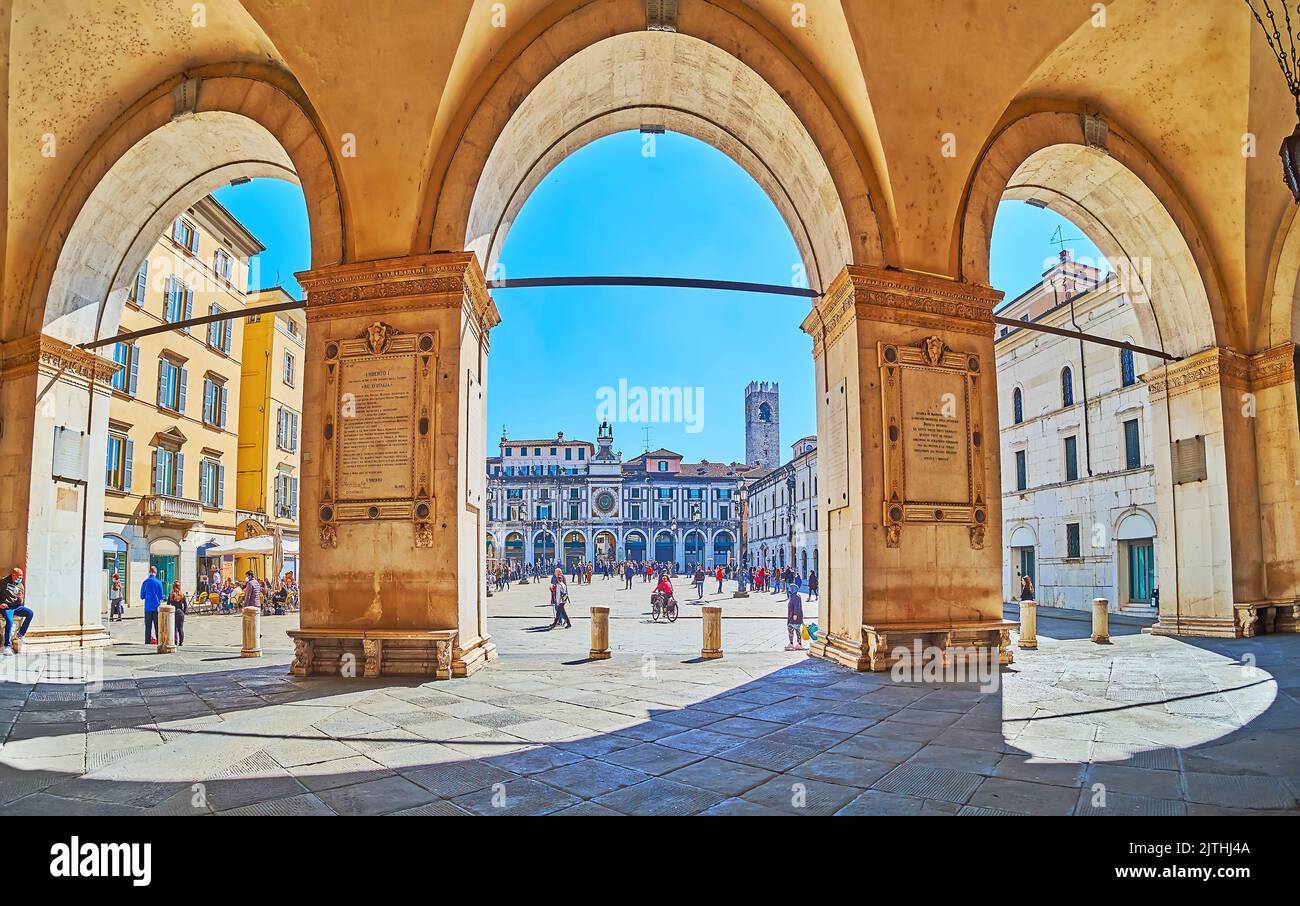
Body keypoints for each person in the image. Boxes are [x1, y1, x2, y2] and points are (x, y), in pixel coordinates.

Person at [1, 567, 33, 656]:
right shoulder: (3, 583)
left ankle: (20, 634)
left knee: (30, 613)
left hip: (17, 607)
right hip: (7, 607)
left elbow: (20, 602)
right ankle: (6, 646)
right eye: (19, 576)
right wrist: (0, 604)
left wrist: (20, 597)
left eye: (22, 576)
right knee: (10, 621)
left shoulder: (20, 585)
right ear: (13, 574)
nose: (20, 578)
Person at [140, 566, 165, 644]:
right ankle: (159, 641)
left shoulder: (145, 582)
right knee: (157, 626)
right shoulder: (159, 582)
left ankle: (147, 642)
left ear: (149, 572)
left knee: (148, 627)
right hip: (156, 607)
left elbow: (142, 596)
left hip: (148, 607)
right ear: (156, 572)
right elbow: (161, 596)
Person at [786, 582, 805, 651]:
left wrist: (795, 614)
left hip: (794, 617)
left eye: (790, 588)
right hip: (796, 616)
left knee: (790, 629)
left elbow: (797, 607)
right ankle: (799, 644)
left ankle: (791, 644)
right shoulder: (795, 595)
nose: (789, 589)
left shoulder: (795, 596)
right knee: (797, 630)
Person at [167, 579, 187, 647]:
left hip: (173, 613)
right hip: (180, 612)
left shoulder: (171, 595)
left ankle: (175, 641)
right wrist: (183, 612)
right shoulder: (182, 595)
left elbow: (168, 604)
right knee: (180, 628)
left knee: (174, 628)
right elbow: (185, 605)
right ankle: (181, 642)